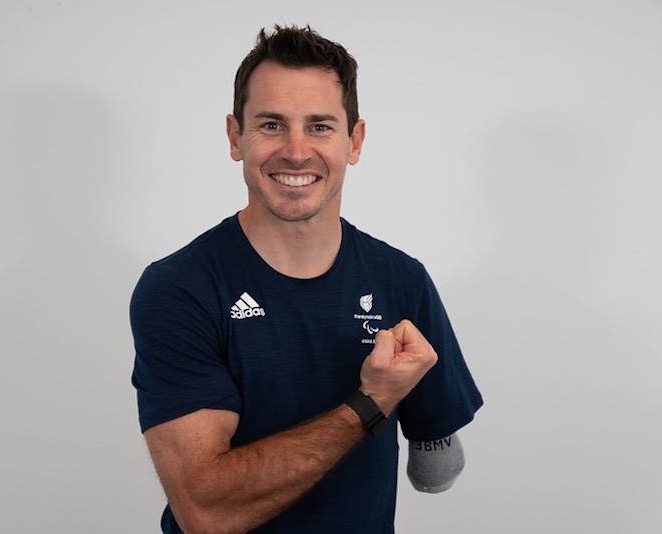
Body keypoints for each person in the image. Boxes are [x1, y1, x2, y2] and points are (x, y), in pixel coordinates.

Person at [130, 25, 483, 534]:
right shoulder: (179, 288)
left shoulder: (402, 279)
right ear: (235, 137)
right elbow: (207, 514)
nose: (296, 152)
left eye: (320, 126)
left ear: (354, 141)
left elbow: (436, 469)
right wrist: (372, 401)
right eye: (271, 124)